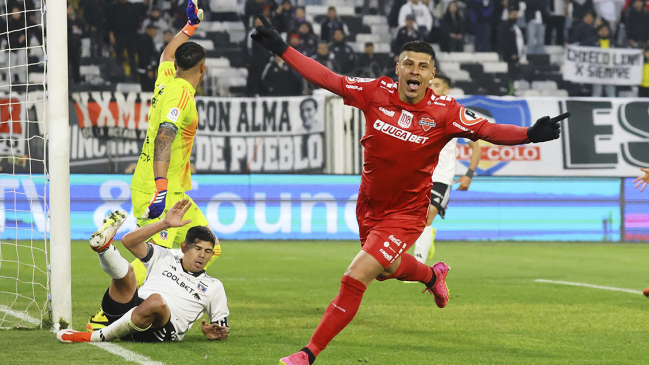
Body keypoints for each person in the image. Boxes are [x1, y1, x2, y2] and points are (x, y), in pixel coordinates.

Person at [251, 15, 566, 365]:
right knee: (385, 270)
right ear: (397, 68)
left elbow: (487, 130)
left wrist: (528, 134)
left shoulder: (446, 112)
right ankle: (433, 274)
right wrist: (281, 48)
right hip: (368, 205)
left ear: (432, 76)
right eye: (409, 64)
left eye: (424, 66)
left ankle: (308, 354)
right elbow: (327, 78)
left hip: (405, 213)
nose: (415, 71)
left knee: (356, 276)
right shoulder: (375, 92)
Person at [87, 0, 222, 331]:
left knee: (210, 247)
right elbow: (165, 135)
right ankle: (109, 311)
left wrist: (188, 27)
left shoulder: (166, 78)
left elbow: (166, 54)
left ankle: (156, 296)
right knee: (154, 254)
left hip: (164, 183)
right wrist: (162, 187)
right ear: (202, 69)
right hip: (160, 186)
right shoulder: (182, 96)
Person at [57, 200, 229, 343]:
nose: (202, 255)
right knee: (128, 272)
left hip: (158, 330)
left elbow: (221, 328)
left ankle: (93, 337)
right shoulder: (164, 256)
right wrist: (165, 223)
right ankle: (104, 249)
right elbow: (129, 242)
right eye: (197, 248)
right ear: (184, 247)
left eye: (207, 251)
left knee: (157, 301)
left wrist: (211, 331)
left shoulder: (214, 286)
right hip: (125, 313)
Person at [412, 74, 481, 264]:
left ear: (447, 90)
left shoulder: (456, 113)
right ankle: (427, 237)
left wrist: (469, 174)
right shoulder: (417, 110)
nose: (432, 87)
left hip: (441, 175)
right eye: (430, 84)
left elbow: (475, 146)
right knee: (414, 220)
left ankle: (417, 265)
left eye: (437, 85)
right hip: (417, 174)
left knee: (427, 215)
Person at [499, 4, 523, 95]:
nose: (515, 16)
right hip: (509, 55)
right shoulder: (506, 26)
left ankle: (513, 89)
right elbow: (507, 41)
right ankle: (509, 90)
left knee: (515, 73)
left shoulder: (515, 26)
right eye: (514, 14)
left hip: (516, 55)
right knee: (510, 74)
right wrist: (511, 53)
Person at [591, 23, 617, 97]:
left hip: (610, 69)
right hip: (597, 69)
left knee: (611, 91)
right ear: (598, 31)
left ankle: (613, 107)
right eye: (602, 30)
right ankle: (594, 106)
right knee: (597, 91)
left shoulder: (613, 42)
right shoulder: (593, 41)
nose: (604, 32)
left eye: (606, 30)